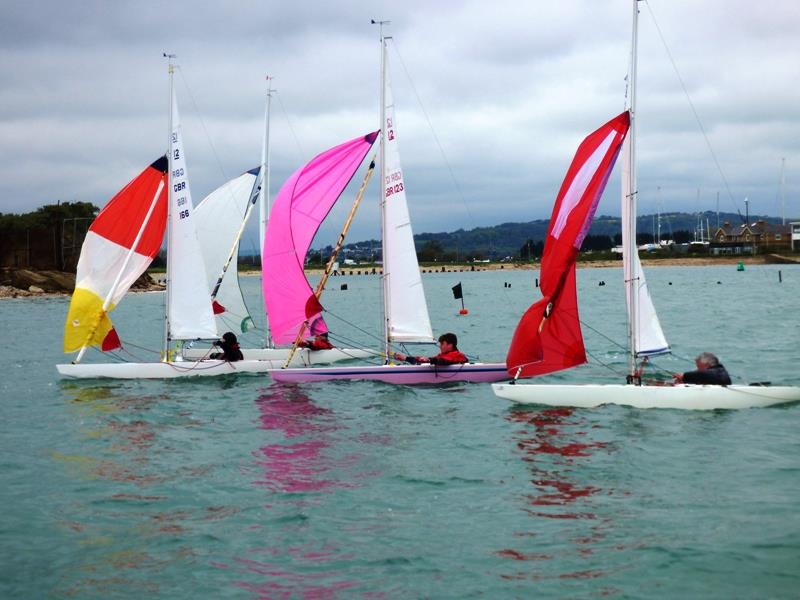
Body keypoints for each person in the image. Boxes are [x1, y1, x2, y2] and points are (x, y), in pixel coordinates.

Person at [393, 332, 468, 366]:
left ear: (450, 345)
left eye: (442, 344)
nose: (440, 346)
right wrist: (405, 358)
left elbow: (443, 361)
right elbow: (431, 360)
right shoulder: (443, 355)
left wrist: (429, 360)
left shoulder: (457, 355)